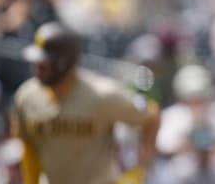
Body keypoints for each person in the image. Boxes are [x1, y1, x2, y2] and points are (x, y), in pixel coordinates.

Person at [9, 22, 160, 184]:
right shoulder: (27, 96)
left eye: (43, 64)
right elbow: (29, 146)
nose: (36, 69)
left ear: (63, 63)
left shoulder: (102, 94)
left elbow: (151, 117)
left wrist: (137, 170)